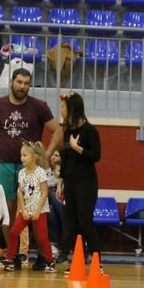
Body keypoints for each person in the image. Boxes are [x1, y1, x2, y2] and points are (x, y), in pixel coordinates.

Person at [0, 69, 62, 252]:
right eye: (19, 82)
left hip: (30, 168)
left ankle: (41, 256)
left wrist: (47, 152)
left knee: (35, 210)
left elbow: (58, 131)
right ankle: (12, 253)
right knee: (7, 209)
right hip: (4, 164)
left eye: (26, 83)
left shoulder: (39, 106)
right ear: (11, 82)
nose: (22, 86)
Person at [55, 91, 102, 269]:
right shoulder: (68, 132)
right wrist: (61, 180)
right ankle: (78, 262)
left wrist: (77, 148)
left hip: (86, 183)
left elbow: (96, 156)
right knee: (72, 222)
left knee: (85, 222)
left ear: (72, 109)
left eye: (63, 107)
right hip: (71, 182)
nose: (60, 110)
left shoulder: (90, 130)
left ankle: (98, 261)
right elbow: (65, 159)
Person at [5, 141, 55, 272]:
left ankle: (50, 262)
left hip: (39, 210)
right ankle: (10, 259)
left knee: (42, 237)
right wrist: (23, 210)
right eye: (21, 155)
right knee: (14, 232)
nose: (22, 158)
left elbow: (44, 193)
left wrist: (38, 211)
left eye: (25, 155)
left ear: (34, 157)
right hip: (25, 211)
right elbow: (20, 192)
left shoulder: (40, 172)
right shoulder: (21, 172)